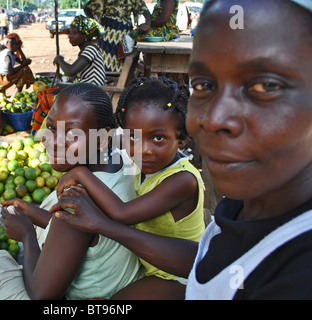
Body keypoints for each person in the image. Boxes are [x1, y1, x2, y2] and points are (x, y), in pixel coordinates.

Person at [52, 0, 312, 299]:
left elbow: (123, 217)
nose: (213, 119)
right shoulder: (237, 212)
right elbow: (202, 257)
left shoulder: (299, 271)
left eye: (266, 85)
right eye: (202, 85)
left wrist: (85, 183)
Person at [0, 83, 144, 300]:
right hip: (116, 285)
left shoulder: (77, 201)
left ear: (103, 138)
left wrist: (27, 235)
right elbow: (83, 237)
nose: (54, 142)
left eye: (71, 133)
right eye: (51, 128)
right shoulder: (124, 160)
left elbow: (41, 294)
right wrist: (34, 213)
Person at [54, 77, 204, 299]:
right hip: (154, 263)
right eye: (133, 136)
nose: (144, 149)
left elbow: (121, 214)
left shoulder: (182, 180)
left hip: (179, 275)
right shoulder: (143, 164)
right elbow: (105, 146)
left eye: (159, 138)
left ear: (182, 138)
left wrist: (80, 173)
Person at [84, 0, 152, 72]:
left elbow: (147, 13)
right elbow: (87, 8)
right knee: (104, 62)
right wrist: (96, 24)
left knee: (124, 62)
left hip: (124, 33)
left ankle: (120, 81)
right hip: (107, 34)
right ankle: (109, 80)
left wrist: (147, 24)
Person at [53, 15, 106, 87]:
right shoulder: (84, 50)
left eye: (74, 33)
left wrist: (59, 60)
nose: (70, 36)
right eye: (69, 32)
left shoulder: (91, 49)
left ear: (85, 36)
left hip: (92, 93)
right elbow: (75, 75)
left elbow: (70, 71)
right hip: (85, 90)